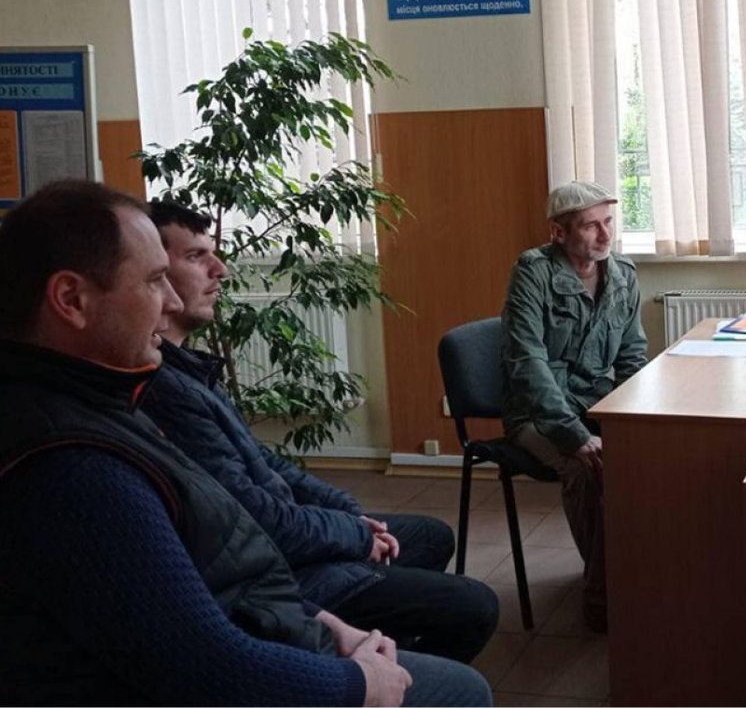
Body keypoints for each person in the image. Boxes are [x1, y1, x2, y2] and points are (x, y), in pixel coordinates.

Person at [0, 180, 490, 706]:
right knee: (463, 690)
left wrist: (324, 621)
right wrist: (360, 683)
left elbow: (217, 556)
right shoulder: (74, 468)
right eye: (155, 280)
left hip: (270, 613)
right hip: (246, 654)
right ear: (72, 300)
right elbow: (204, 667)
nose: (170, 302)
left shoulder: (102, 403)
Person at [140, 201, 499, 664]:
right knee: (475, 607)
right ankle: (374, 672)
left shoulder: (190, 369)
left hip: (289, 544)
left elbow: (266, 462)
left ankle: (380, 652)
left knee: (430, 536)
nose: (220, 269)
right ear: (154, 276)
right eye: (195, 257)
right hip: (279, 572)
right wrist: (353, 535)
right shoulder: (166, 391)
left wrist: (350, 514)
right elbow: (255, 521)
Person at [501, 181, 648, 632]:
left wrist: (635, 422)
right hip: (537, 413)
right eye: (590, 226)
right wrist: (573, 434)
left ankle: (639, 575)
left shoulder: (622, 275)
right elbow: (527, 364)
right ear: (559, 233)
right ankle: (603, 598)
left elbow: (632, 357)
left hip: (596, 404)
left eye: (608, 222)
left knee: (649, 454)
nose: (605, 235)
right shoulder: (533, 273)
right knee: (586, 468)